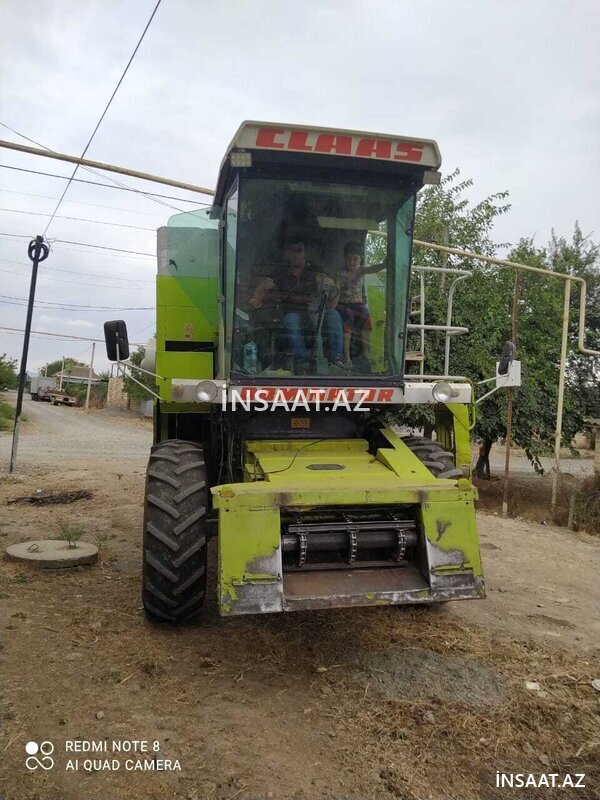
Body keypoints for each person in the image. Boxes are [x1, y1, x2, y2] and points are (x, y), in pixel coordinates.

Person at [248, 239, 343, 369]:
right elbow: (264, 285)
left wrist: (327, 281)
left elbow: (326, 281)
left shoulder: (314, 270)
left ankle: (337, 359)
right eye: (292, 251)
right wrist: (256, 299)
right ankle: (301, 362)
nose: (296, 254)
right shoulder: (280, 272)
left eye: (299, 251)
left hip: (316, 312)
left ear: (305, 254)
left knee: (334, 315)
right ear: (286, 254)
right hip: (293, 311)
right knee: (292, 320)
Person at [336, 241, 386, 367]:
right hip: (343, 304)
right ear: (344, 258)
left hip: (358, 304)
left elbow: (372, 269)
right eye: (349, 259)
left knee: (367, 318)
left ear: (360, 259)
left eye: (355, 259)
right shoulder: (340, 273)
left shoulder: (360, 271)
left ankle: (366, 352)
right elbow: (336, 290)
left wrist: (384, 264)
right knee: (348, 319)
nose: (352, 262)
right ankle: (346, 356)